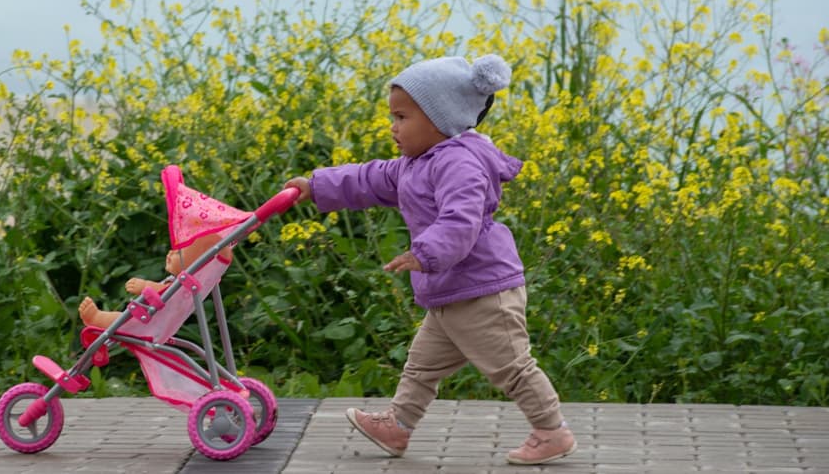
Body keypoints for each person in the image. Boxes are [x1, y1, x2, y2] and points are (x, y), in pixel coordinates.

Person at [284, 54, 577, 465]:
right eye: (393, 116)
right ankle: (397, 428)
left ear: (441, 118)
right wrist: (316, 186)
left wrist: (425, 253)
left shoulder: (461, 163)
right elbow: (368, 178)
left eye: (402, 117)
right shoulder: (414, 164)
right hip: (449, 291)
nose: (394, 126)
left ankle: (551, 431)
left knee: (511, 367)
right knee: (421, 367)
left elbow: (462, 219)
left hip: (482, 290)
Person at [78, 232, 233, 328]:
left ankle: (96, 318)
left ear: (196, 265)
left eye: (178, 252)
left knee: (123, 321)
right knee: (124, 318)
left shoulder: (184, 287)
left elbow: (168, 296)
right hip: (154, 321)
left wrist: (145, 286)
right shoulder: (184, 284)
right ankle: (98, 318)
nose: (170, 253)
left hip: (148, 323)